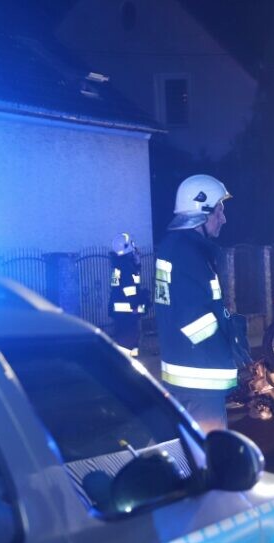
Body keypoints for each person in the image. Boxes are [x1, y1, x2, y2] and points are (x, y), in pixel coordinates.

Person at [154, 174, 237, 432]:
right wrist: (228, 348)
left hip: (186, 372)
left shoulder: (176, 247)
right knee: (209, 459)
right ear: (202, 211)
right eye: (219, 211)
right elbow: (194, 321)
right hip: (201, 376)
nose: (223, 218)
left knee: (183, 454)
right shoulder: (188, 253)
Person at [108, 232, 147, 357]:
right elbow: (129, 288)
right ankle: (129, 362)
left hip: (119, 311)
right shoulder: (126, 266)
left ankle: (129, 359)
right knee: (129, 338)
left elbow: (117, 288)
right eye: (132, 245)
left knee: (123, 337)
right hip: (128, 310)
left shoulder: (118, 265)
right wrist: (136, 305)